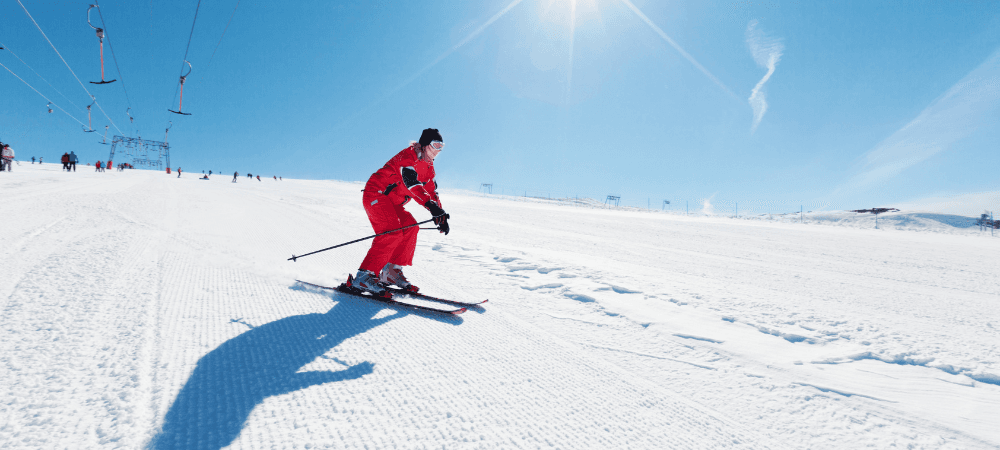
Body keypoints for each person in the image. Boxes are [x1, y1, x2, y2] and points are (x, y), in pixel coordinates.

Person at [347, 128, 449, 297]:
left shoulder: (429, 167)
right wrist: (432, 207)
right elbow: (412, 184)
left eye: (441, 146)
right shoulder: (407, 157)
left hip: (393, 203)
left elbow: (431, 191)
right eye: (435, 145)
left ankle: (391, 273)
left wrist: (440, 215)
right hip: (376, 194)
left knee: (410, 227)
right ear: (424, 145)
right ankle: (364, 276)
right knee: (391, 232)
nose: (438, 150)